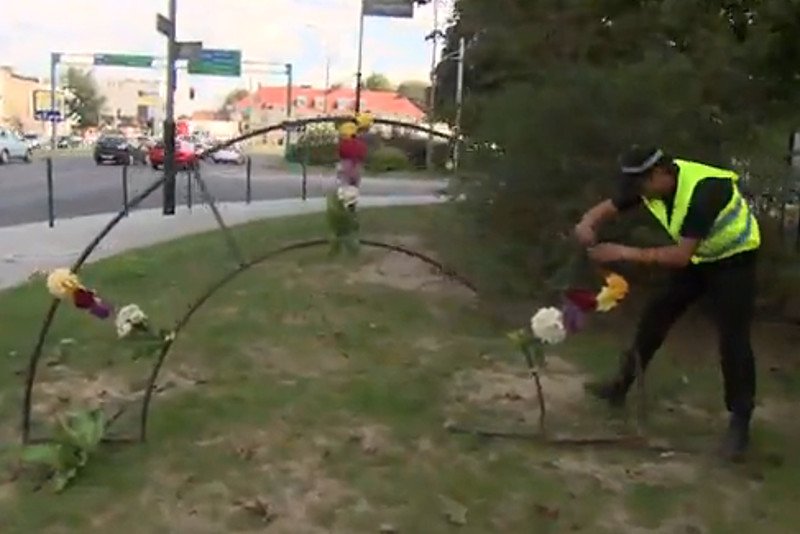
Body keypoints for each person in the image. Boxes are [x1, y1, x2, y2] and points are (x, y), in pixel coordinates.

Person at [573, 146, 760, 461]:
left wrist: (622, 252)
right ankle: (621, 385)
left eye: (641, 186)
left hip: (734, 262)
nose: (637, 193)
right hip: (700, 258)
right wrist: (587, 223)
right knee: (656, 316)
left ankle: (740, 424)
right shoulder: (652, 186)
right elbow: (612, 206)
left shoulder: (704, 192)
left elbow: (679, 256)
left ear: (660, 173)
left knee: (733, 339)